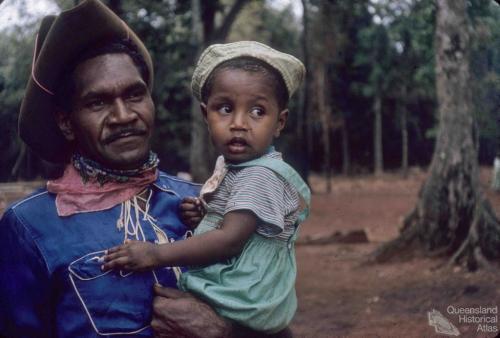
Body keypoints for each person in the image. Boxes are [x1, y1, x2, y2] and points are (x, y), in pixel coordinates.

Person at [0, 1, 230, 337]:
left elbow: (277, 321)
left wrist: (224, 330)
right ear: (67, 123)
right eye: (98, 102)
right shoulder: (28, 227)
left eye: (135, 95)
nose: (124, 116)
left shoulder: (204, 204)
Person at [101, 41, 311, 334]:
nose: (239, 123)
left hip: (244, 295)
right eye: (225, 109)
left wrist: (155, 254)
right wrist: (205, 218)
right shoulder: (239, 170)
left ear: (280, 122)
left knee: (159, 304)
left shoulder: (260, 175)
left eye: (258, 111)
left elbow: (230, 241)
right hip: (248, 289)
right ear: (205, 114)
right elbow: (240, 228)